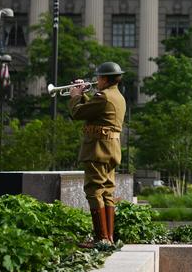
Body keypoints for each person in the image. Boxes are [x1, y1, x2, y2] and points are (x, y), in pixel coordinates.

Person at [69, 61, 127, 248]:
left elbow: (77, 113)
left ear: (104, 78)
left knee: (94, 191)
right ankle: (108, 238)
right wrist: (84, 94)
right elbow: (95, 111)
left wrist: (75, 96)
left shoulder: (104, 97)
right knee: (107, 192)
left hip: (97, 150)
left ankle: (101, 238)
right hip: (110, 150)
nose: (96, 81)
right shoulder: (116, 96)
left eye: (98, 77)